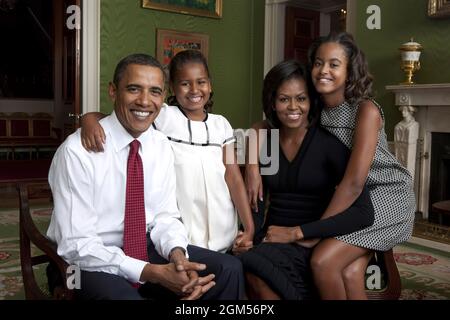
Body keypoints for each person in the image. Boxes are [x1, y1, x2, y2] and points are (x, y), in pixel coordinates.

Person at [46, 53, 245, 300]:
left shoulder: (160, 144)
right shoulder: (77, 152)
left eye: (154, 92)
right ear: (113, 91)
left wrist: (177, 255)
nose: (144, 101)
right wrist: (154, 273)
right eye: (133, 89)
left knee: (229, 269)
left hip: (144, 246)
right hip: (83, 262)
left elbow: (165, 216)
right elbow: (77, 245)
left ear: (163, 97)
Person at [246, 32, 416, 300]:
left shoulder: (365, 110)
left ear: (350, 71)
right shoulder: (316, 107)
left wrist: (312, 232)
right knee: (349, 274)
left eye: (334, 64)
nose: (323, 70)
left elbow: (353, 183)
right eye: (318, 63)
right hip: (356, 197)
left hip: (385, 194)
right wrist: (253, 166)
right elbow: (265, 125)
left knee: (323, 261)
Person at [80, 50, 254, 255]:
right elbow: (120, 118)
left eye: (201, 82)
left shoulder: (221, 124)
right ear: (171, 87)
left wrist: (249, 228)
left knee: (225, 271)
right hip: (182, 226)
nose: (194, 89)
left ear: (210, 84)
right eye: (185, 83)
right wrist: (88, 119)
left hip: (223, 221)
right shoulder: (163, 116)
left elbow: (233, 177)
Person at [238, 59, 375, 300]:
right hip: (272, 239)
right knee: (244, 264)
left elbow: (363, 213)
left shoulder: (328, 145)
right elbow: (256, 199)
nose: (293, 107)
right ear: (272, 102)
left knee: (255, 267)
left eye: (301, 98)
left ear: (311, 101)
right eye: (283, 99)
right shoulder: (265, 141)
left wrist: (300, 232)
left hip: (310, 242)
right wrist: (249, 234)